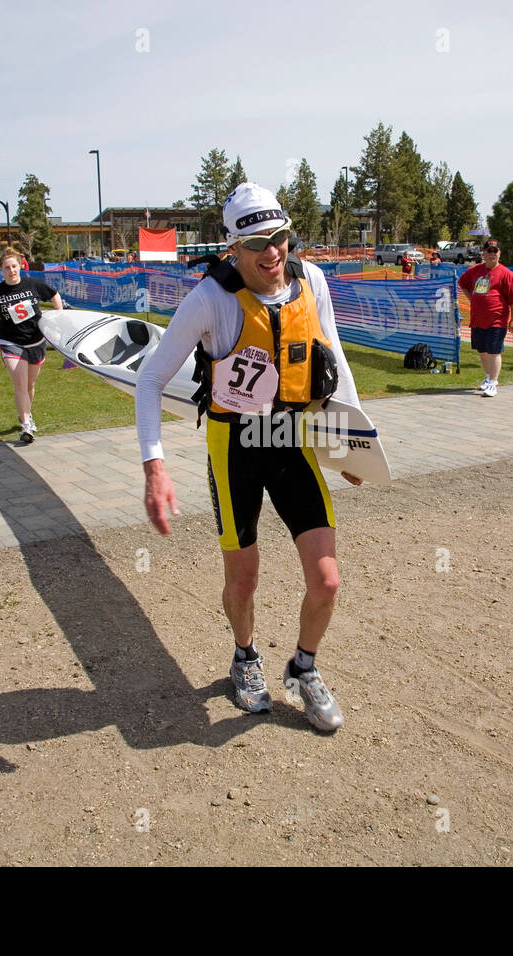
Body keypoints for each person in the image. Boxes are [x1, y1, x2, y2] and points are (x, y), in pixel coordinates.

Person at [135, 182, 362, 732]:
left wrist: (353, 438)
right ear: (231, 248)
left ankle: (303, 668)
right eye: (258, 241)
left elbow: (335, 357)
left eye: (281, 237)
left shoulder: (311, 281)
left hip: (290, 438)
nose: (273, 252)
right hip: (234, 446)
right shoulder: (211, 299)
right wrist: (155, 468)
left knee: (327, 580)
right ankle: (245, 656)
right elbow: (149, 380)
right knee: (244, 580)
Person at [0, 247, 60, 443]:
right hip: (10, 342)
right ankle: (26, 426)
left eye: (14, 266)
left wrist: (59, 317)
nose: (11, 271)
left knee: (29, 385)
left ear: (20, 266)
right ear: (1, 270)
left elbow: (54, 295)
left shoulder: (33, 285)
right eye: (6, 268)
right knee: (20, 383)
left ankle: (25, 414)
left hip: (36, 341)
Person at [457, 239, 513, 397]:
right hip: (478, 319)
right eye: (489, 251)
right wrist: (472, 298)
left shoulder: (506, 274)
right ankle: (488, 377)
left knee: (494, 351)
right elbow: (463, 283)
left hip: (497, 320)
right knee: (483, 351)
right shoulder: (475, 271)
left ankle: (493, 382)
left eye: (495, 251)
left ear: (499, 253)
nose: (492, 254)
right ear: (483, 253)